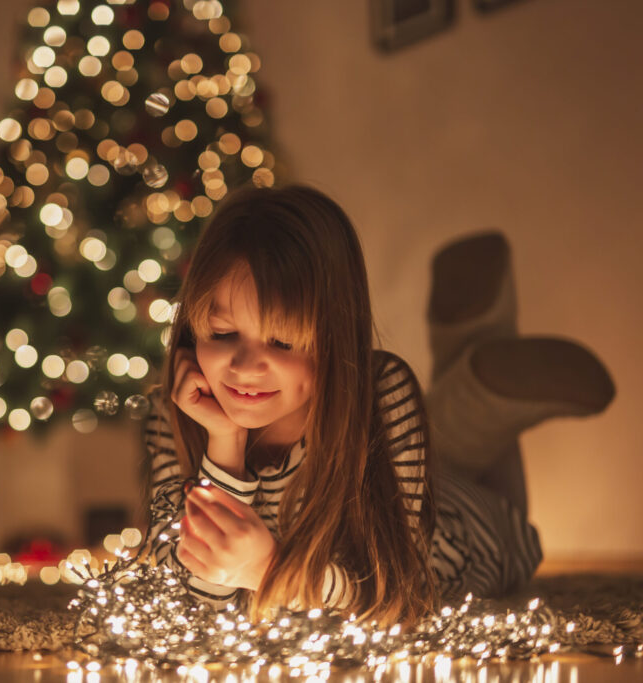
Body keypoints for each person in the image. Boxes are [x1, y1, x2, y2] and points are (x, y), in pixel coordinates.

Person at [143, 184, 614, 627]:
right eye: (223, 335)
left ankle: (481, 362)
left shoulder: (382, 395)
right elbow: (187, 603)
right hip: (397, 473)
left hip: (468, 531)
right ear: (192, 327)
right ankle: (475, 350)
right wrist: (224, 445)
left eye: (283, 342)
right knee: (445, 444)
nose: (245, 367)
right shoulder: (178, 409)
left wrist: (269, 570)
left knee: (467, 458)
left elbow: (401, 598)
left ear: (335, 335)